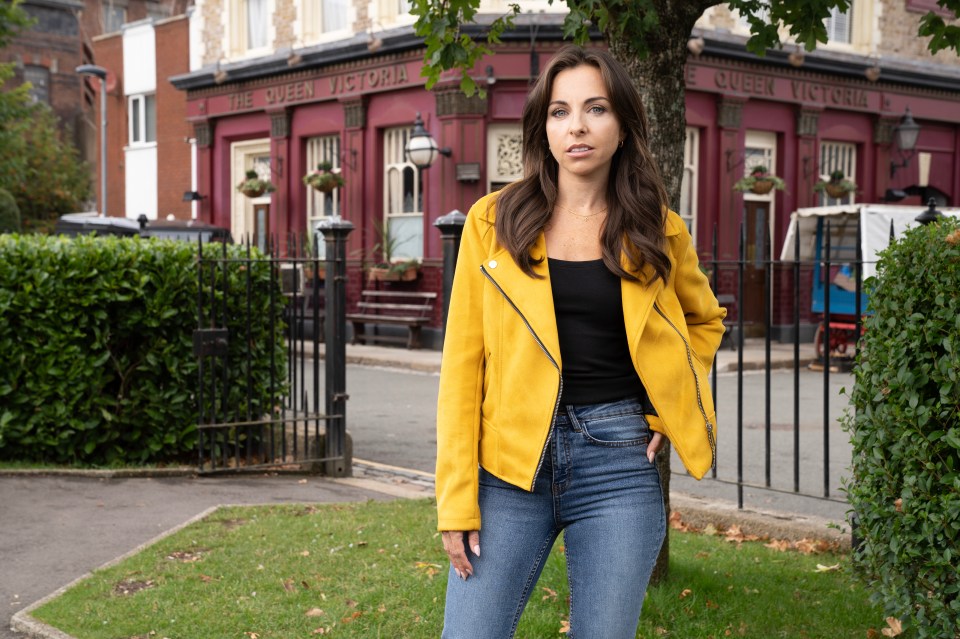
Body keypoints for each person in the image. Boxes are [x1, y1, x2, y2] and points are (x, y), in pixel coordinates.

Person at [435, 45, 726, 639]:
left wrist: (662, 411)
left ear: (621, 125)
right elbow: (463, 366)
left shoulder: (657, 229)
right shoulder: (492, 222)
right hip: (508, 466)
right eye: (560, 112)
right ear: (543, 128)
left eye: (595, 109)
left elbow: (704, 321)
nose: (578, 127)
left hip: (618, 459)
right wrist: (455, 501)